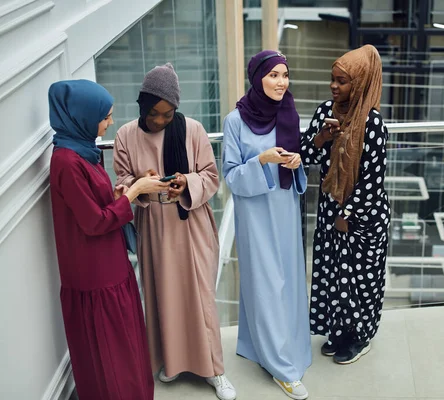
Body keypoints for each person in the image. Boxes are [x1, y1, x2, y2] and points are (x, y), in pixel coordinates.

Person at [113, 63, 236, 400]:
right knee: (162, 295)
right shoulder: (125, 135)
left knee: (200, 297)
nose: (161, 121)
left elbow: (211, 176)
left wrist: (187, 182)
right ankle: (172, 361)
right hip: (154, 226)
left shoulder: (192, 130)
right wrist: (142, 184)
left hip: (190, 222)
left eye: (168, 115)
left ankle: (215, 371)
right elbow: (122, 182)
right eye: (155, 114)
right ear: (143, 105)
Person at [48, 79, 169, 399]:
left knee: (124, 345)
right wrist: (132, 193)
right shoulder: (67, 161)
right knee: (111, 355)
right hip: (94, 273)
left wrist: (122, 193)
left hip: (109, 264)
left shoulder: (82, 150)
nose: (111, 122)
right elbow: (94, 221)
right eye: (106, 116)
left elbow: (95, 204)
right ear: (83, 115)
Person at [222, 50, 312, 400]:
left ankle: (273, 348)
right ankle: (282, 370)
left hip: (286, 211)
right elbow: (231, 176)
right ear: (258, 77)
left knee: (287, 282)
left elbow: (295, 169)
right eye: (273, 75)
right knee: (265, 284)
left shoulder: (287, 112)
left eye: (285, 75)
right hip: (256, 214)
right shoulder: (235, 120)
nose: (281, 82)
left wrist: (296, 161)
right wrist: (261, 159)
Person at [300, 44, 390, 365]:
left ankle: (359, 336)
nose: (334, 86)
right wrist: (322, 138)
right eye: (332, 79)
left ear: (361, 83)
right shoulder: (326, 111)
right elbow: (305, 156)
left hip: (362, 216)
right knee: (335, 274)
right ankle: (337, 333)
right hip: (330, 212)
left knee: (361, 278)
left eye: (342, 81)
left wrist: (347, 214)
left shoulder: (373, 124)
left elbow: (372, 180)